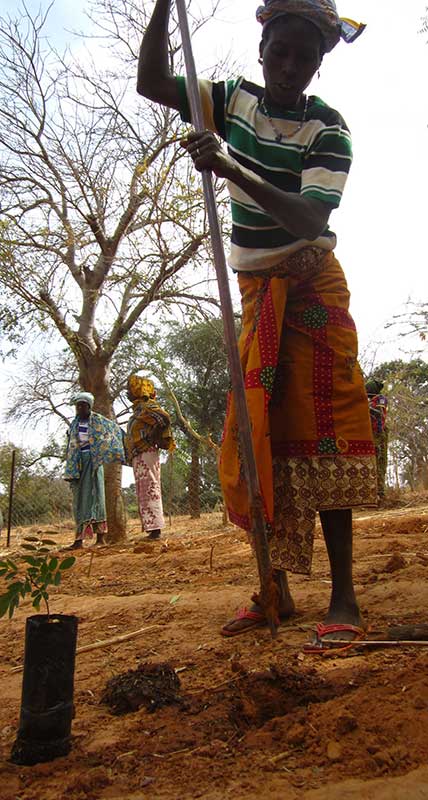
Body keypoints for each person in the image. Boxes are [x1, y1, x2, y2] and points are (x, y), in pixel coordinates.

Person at [137, 0, 377, 647]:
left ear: (321, 61)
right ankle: (273, 589)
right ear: (263, 46)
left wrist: (231, 167)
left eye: (306, 56)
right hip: (256, 292)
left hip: (312, 288)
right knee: (255, 437)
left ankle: (345, 596)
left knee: (325, 432)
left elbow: (309, 219)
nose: (290, 66)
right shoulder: (230, 101)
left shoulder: (330, 129)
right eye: (281, 52)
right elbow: (153, 82)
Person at [64, 392, 126, 549]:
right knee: (80, 500)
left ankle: (101, 539)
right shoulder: (74, 424)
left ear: (89, 406)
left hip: (94, 463)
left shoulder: (97, 421)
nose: (80, 408)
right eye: (78, 405)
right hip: (79, 465)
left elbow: (114, 431)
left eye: (83, 405)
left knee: (98, 497)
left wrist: (104, 452)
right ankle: (78, 540)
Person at [126, 374, 175, 540]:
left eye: (130, 388)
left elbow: (164, 419)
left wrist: (151, 438)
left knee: (150, 489)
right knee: (144, 490)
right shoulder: (139, 409)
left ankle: (156, 531)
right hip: (141, 455)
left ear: (138, 390)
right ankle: (152, 529)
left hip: (147, 453)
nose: (127, 393)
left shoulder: (148, 406)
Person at [366, 378, 388, 500]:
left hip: (379, 434)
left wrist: (366, 407)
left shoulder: (380, 399)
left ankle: (380, 493)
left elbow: (378, 413)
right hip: (371, 434)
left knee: (379, 463)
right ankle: (374, 494)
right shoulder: (370, 402)